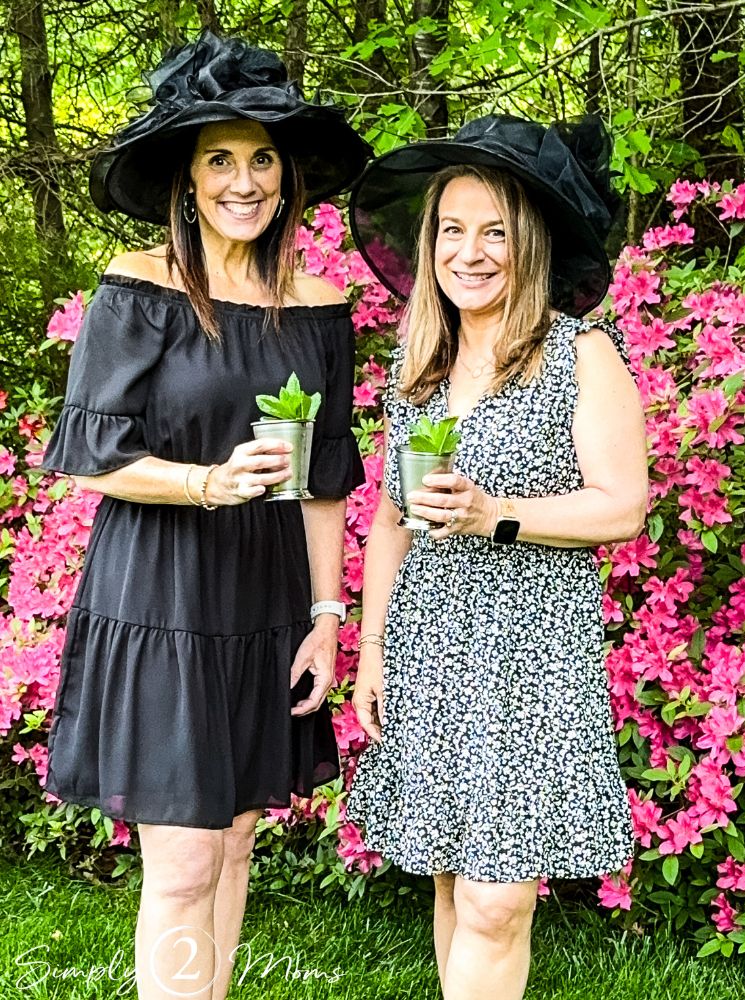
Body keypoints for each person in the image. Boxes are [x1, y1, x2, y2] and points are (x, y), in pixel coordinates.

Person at [41, 31, 369, 1000]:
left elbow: (325, 478)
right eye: (219, 157)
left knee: (230, 852)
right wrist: (208, 482)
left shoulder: (320, 303)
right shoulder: (140, 286)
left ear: (288, 175)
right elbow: (92, 457)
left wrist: (326, 617)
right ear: (186, 177)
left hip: (265, 603)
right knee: (183, 864)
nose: (243, 179)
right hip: (161, 597)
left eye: (261, 157)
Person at [346, 114, 649, 1000]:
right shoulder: (423, 364)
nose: (469, 253)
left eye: (494, 233)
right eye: (452, 230)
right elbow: (393, 518)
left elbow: (623, 506)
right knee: (450, 877)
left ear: (531, 245)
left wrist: (499, 513)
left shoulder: (578, 354)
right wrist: (373, 650)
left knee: (492, 900)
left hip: (532, 662)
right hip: (433, 647)